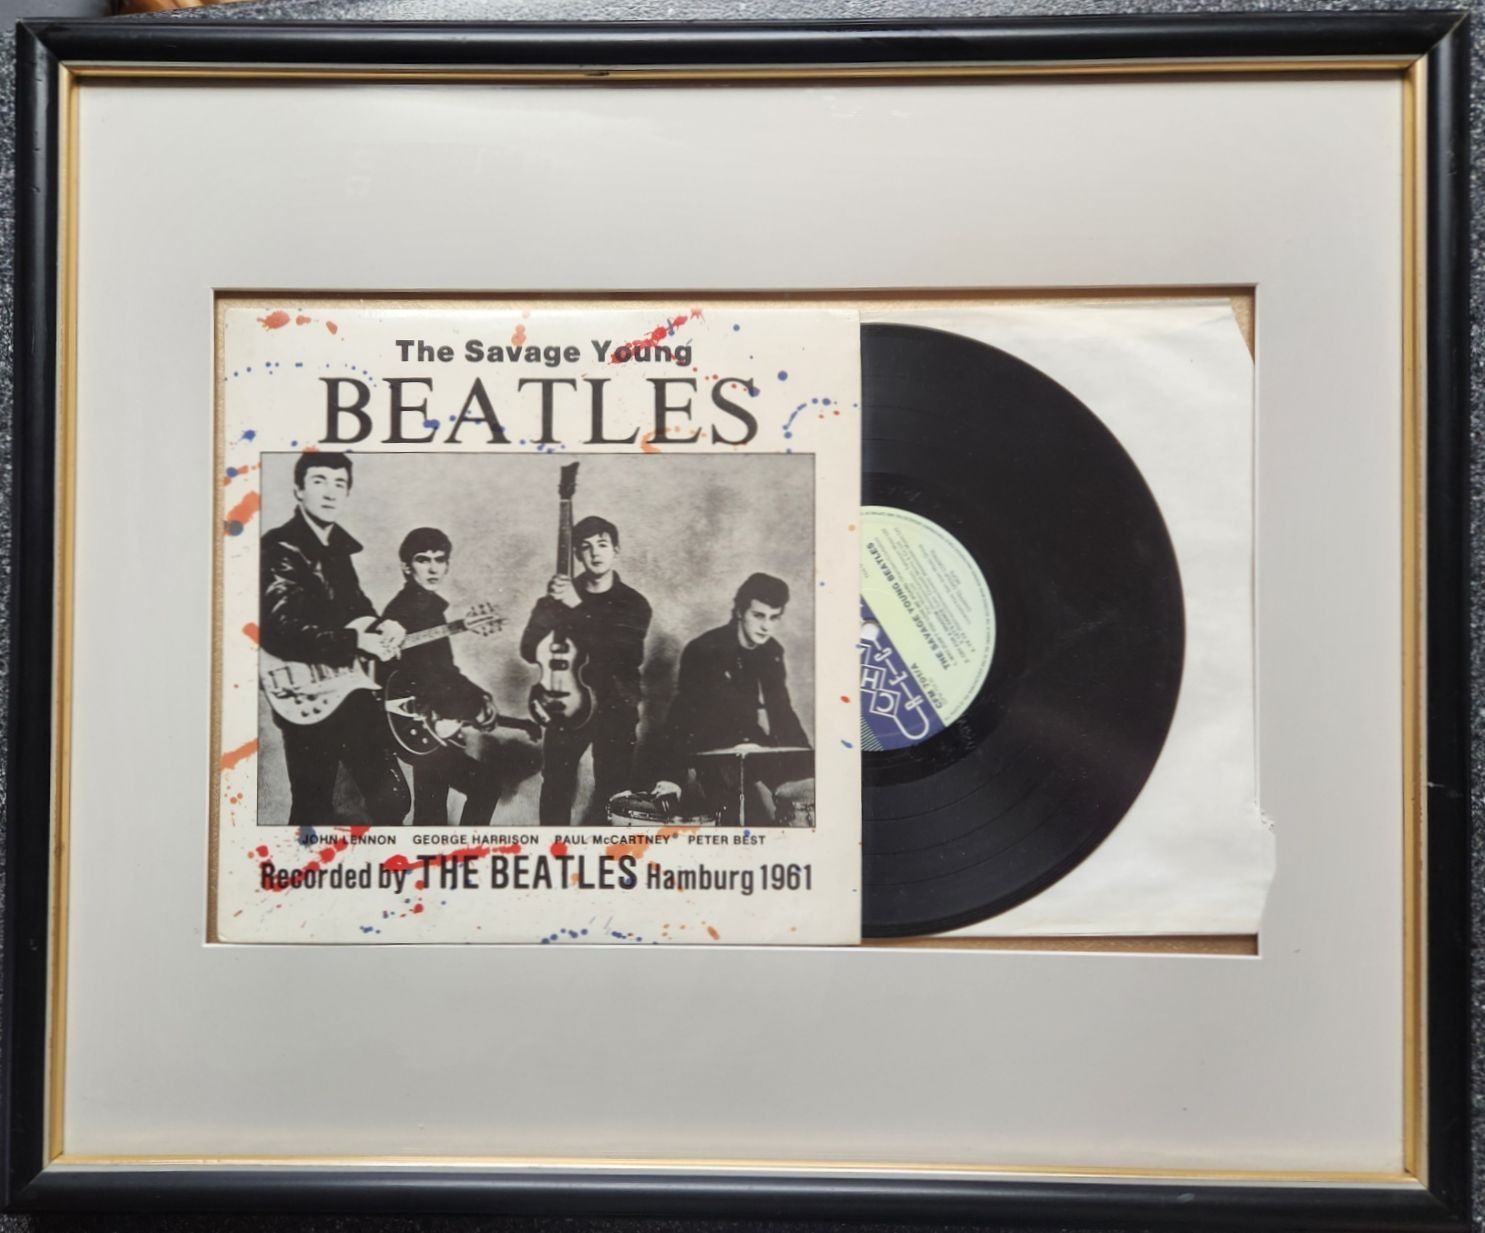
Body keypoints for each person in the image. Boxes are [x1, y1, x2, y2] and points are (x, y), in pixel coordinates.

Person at [260, 451, 410, 827]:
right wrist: (353, 642)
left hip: (348, 690)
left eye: (339, 484)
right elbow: (277, 628)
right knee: (312, 808)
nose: (330, 492)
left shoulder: (337, 550)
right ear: (299, 490)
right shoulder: (280, 548)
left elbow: (357, 608)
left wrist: (386, 626)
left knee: (392, 798)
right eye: (319, 481)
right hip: (306, 694)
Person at [519, 515, 652, 825]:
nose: (595, 553)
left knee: (614, 791)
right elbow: (529, 649)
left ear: (616, 550)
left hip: (616, 704)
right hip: (568, 702)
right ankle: (554, 851)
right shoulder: (561, 595)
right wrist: (548, 608)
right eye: (586, 547)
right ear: (577, 554)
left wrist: (577, 607)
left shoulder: (633, 603)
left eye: (602, 545)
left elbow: (620, 654)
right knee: (556, 786)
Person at [654, 573, 812, 827]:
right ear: (740, 611)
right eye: (758, 616)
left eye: (773, 617)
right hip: (710, 749)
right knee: (747, 820)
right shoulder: (704, 650)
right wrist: (670, 778)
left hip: (751, 743)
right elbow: (682, 715)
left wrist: (807, 766)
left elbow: (782, 712)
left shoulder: (771, 651)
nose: (766, 626)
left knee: (803, 802)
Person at [381, 527, 504, 826]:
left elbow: (442, 669)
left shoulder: (428, 608)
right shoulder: (405, 609)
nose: (433, 568)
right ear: (406, 567)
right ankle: (467, 851)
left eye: (439, 559)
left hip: (426, 724)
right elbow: (428, 675)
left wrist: (478, 697)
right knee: (485, 785)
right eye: (423, 560)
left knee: (430, 811)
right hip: (416, 722)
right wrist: (475, 704)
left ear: (447, 565)